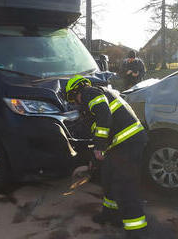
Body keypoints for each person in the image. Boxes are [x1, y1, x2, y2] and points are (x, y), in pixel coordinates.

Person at [65, 75, 148, 239]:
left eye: (73, 98)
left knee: (125, 187)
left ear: (77, 90)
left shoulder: (90, 92)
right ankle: (110, 214)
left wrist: (99, 147)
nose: (75, 103)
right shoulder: (95, 99)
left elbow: (105, 116)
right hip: (119, 145)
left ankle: (137, 231)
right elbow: (99, 129)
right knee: (108, 177)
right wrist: (94, 160)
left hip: (129, 143)